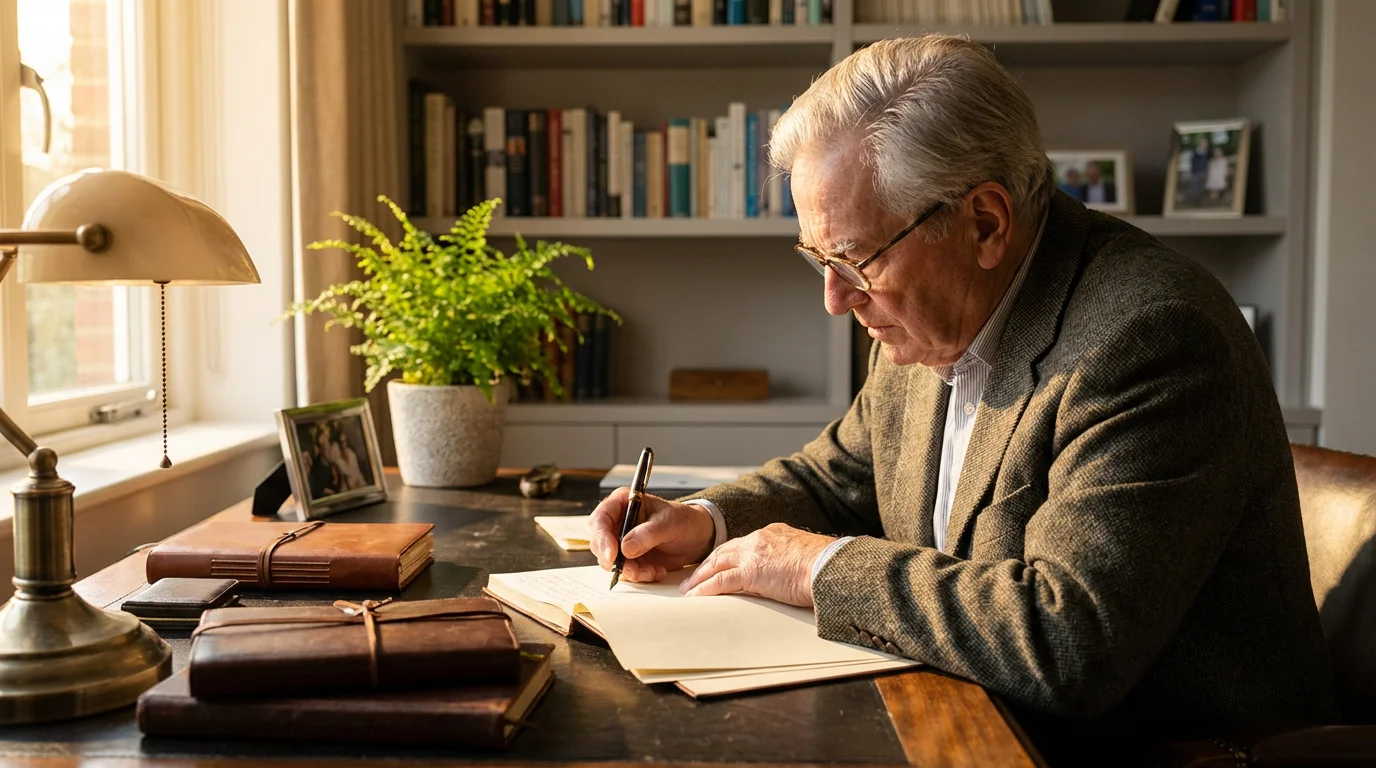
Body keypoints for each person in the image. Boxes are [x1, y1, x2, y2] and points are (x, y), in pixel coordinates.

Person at [588, 35, 1336, 765]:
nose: (833, 298)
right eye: (816, 257)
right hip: (965, 713)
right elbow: (836, 478)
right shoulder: (929, 307)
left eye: (851, 257)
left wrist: (816, 568)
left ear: (984, 222)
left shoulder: (1151, 336)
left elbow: (1068, 638)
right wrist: (705, 519)